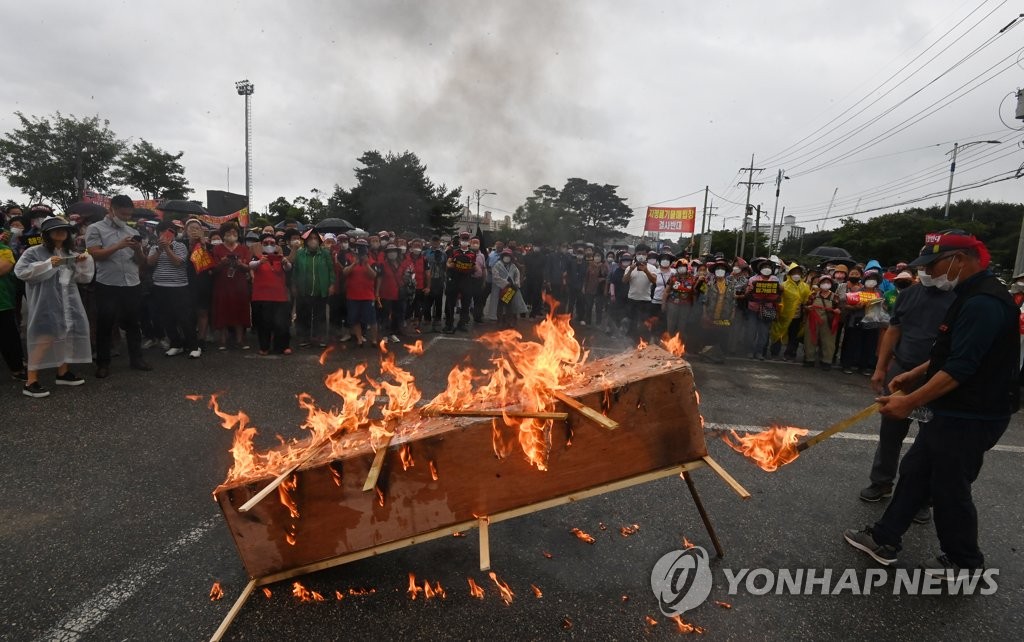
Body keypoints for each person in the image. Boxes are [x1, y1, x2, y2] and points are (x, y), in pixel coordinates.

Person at [845, 231, 1019, 577]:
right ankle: (885, 538)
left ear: (959, 260)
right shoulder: (967, 294)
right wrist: (912, 375)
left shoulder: (984, 302)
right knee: (917, 471)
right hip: (954, 410)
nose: (928, 271)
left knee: (949, 487)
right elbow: (950, 353)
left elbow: (961, 367)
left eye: (934, 263)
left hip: (972, 413)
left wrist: (909, 402)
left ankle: (965, 561)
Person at [858, 262, 955, 513]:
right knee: (890, 431)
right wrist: (881, 367)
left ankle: (922, 497)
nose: (926, 271)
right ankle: (881, 482)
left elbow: (957, 349)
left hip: (938, 376)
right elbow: (893, 330)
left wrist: (919, 372)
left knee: (932, 440)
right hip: (900, 370)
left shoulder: (961, 299)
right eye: (923, 266)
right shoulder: (908, 294)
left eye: (932, 265)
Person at [14, 217, 94, 397]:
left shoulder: (69, 252)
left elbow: (82, 278)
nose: (61, 233)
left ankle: (63, 372)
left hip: (68, 302)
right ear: (47, 234)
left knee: (64, 337)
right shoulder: (33, 252)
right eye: (56, 230)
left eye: (64, 230)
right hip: (45, 303)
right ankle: (31, 381)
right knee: (43, 340)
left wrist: (82, 262)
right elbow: (21, 272)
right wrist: (49, 263)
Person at [85, 195, 152, 378]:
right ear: (111, 209)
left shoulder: (130, 230)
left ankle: (136, 359)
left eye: (128, 215)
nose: (125, 218)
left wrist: (138, 250)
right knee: (105, 323)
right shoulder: (95, 229)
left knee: (133, 323)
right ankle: (103, 363)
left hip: (132, 282)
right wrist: (119, 245)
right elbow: (95, 255)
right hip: (108, 283)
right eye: (122, 214)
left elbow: (142, 262)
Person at [148, 221, 201, 359]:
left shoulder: (180, 246)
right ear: (158, 234)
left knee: (184, 318)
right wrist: (160, 249)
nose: (166, 236)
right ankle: (176, 344)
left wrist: (167, 249)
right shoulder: (154, 247)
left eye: (169, 233)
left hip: (179, 287)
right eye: (162, 233)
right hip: (160, 286)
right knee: (166, 317)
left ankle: (194, 346)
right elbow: (150, 262)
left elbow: (178, 262)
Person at [211, 222, 252, 350]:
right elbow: (213, 269)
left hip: (239, 285)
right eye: (228, 233)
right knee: (223, 310)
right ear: (223, 235)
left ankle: (240, 340)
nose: (232, 235)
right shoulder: (217, 249)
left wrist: (240, 264)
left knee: (239, 310)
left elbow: (248, 267)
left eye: (234, 233)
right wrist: (222, 263)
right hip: (222, 285)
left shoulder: (244, 249)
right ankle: (222, 340)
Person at [249, 233, 292, 355]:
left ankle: (283, 346)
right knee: (264, 323)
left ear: (276, 246)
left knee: (282, 323)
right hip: (262, 296)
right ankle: (264, 347)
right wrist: (259, 262)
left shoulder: (280, 257)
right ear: (261, 245)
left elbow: (288, 268)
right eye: (266, 243)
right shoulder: (257, 257)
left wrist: (285, 262)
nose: (269, 245)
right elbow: (250, 265)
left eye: (272, 243)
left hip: (279, 297)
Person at [292, 229, 335, 347]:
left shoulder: (325, 253)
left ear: (319, 240)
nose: (313, 240)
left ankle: (318, 337)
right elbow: (295, 271)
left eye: (315, 238)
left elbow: (331, 270)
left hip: (320, 289)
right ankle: (304, 338)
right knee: (303, 314)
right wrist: (294, 286)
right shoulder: (300, 253)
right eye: (310, 238)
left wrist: (331, 284)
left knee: (320, 315)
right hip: (303, 289)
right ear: (306, 241)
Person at [840, 267, 882, 375]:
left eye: (874, 279)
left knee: (868, 345)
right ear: (864, 280)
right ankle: (847, 365)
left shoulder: (879, 293)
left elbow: (883, 308)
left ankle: (863, 367)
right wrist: (856, 307)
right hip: (857, 320)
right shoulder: (858, 291)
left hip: (872, 321)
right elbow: (845, 305)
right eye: (869, 278)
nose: (871, 281)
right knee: (852, 343)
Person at [0, 231, 26, 381]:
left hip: (2, 303)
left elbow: (3, 268)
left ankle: (17, 369)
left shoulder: (4, 249)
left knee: (8, 338)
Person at [770, 264, 811, 361]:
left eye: (798, 273)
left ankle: (790, 354)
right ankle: (774, 353)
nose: (796, 275)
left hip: (797, 316)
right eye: (794, 273)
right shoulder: (783, 285)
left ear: (801, 274)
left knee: (794, 336)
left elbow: (807, 301)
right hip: (783, 315)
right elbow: (777, 299)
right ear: (790, 274)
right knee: (778, 333)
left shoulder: (805, 287)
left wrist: (805, 314)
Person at [745, 258, 782, 360]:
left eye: (768, 267)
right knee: (751, 331)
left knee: (764, 333)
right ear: (760, 269)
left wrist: (780, 289)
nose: (766, 269)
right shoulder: (753, 279)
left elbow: (779, 294)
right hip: (753, 309)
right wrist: (750, 290)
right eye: (764, 267)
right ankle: (750, 351)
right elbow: (747, 294)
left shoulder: (775, 279)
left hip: (767, 309)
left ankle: (759, 352)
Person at [344, 238, 378, 347]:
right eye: (358, 247)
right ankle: (359, 339)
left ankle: (374, 340)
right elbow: (345, 272)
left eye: (363, 248)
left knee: (372, 320)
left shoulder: (372, 261)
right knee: (354, 318)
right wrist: (355, 263)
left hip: (368, 296)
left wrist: (366, 264)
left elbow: (374, 275)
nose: (360, 250)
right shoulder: (350, 259)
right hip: (353, 296)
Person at [803, 275, 841, 370]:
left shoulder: (835, 296)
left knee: (828, 341)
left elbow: (839, 308)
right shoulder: (813, 295)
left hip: (828, 321)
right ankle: (809, 359)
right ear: (819, 284)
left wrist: (838, 310)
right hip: (813, 319)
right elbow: (806, 306)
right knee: (810, 339)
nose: (826, 284)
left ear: (831, 284)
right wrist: (808, 308)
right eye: (824, 282)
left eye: (828, 282)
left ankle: (826, 361)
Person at [700, 259, 734, 363]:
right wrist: (704, 314)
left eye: (722, 269)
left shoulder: (731, 285)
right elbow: (705, 301)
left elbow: (734, 301)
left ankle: (721, 357)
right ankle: (707, 356)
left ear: (725, 271)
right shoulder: (709, 284)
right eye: (718, 269)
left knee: (723, 336)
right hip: (711, 315)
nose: (720, 271)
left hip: (725, 315)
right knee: (710, 336)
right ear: (714, 271)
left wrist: (733, 314)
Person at [443, 231, 478, 333]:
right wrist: (451, 265)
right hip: (454, 280)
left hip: (466, 281)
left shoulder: (472, 253)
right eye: (463, 238)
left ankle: (462, 324)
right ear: (459, 240)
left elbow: (474, 266)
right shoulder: (453, 251)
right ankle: (449, 324)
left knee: (466, 304)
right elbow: (448, 263)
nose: (464, 240)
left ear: (469, 240)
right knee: (450, 303)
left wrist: (473, 268)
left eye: (466, 239)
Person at [486, 249, 527, 327]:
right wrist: (505, 283)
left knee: (509, 305)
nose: (506, 257)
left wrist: (516, 283)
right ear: (502, 256)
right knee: (500, 305)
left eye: (508, 256)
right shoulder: (497, 265)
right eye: (505, 255)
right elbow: (495, 277)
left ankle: (509, 321)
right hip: (500, 288)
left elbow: (517, 274)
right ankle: (500, 321)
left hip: (511, 288)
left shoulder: (513, 266)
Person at [623, 245, 656, 338]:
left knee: (644, 324)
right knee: (631, 323)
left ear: (647, 255)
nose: (641, 256)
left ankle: (643, 342)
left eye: (643, 254)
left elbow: (655, 281)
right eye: (639, 254)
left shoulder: (652, 268)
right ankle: (631, 343)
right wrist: (630, 270)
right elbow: (624, 281)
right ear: (635, 255)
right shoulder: (630, 267)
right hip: (632, 299)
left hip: (645, 301)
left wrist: (646, 271)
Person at [662, 258, 699, 340]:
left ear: (687, 267)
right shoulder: (673, 278)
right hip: (672, 304)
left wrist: (694, 306)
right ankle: (669, 343)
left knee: (682, 326)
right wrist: (663, 304)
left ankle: (678, 344)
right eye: (679, 266)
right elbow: (666, 291)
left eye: (683, 266)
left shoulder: (693, 279)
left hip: (686, 306)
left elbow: (695, 293)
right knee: (671, 325)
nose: (681, 268)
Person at [376, 243, 406, 342]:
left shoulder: (401, 264)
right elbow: (379, 279)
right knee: (385, 315)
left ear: (397, 253)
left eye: (393, 251)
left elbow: (403, 278)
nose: (392, 253)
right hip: (386, 294)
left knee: (397, 314)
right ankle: (385, 334)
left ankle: (392, 333)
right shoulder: (382, 265)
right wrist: (377, 293)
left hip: (398, 294)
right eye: (389, 252)